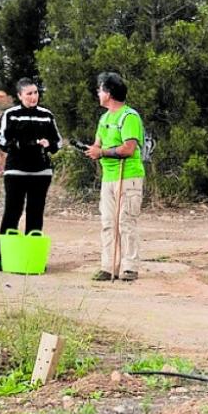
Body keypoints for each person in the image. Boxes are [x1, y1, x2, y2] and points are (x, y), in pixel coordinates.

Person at [0, 78, 62, 270]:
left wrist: (50, 145)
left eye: (36, 93)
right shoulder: (11, 114)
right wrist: (25, 144)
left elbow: (58, 141)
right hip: (16, 171)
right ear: (20, 96)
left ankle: (32, 256)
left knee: (35, 212)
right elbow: (2, 141)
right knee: (12, 212)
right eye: (29, 94)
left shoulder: (47, 115)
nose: (34, 97)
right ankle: (2, 256)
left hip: (41, 172)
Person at [84, 71, 145, 282]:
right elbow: (98, 144)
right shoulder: (104, 119)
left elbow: (129, 148)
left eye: (100, 89)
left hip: (128, 175)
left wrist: (101, 152)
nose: (98, 93)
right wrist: (94, 150)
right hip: (109, 177)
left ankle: (129, 266)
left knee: (126, 221)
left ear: (108, 93)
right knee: (108, 222)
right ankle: (109, 266)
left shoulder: (129, 117)